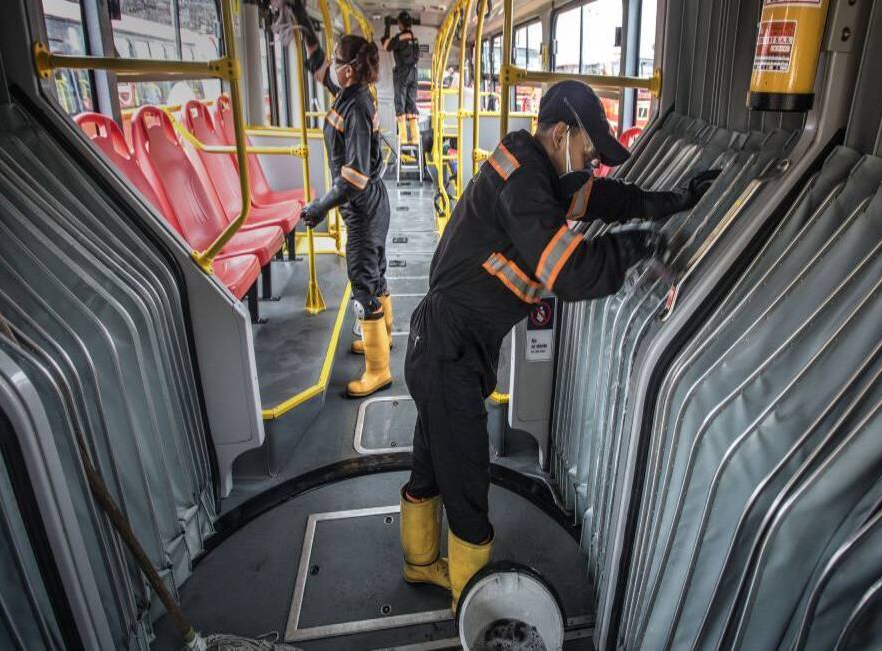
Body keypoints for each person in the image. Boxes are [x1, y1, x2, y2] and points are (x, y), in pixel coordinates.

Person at [398, 79, 720, 611]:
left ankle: (419, 562)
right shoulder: (527, 185)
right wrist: (640, 245)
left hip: (449, 344)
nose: (593, 166)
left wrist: (677, 200)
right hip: (448, 349)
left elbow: (613, 198)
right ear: (562, 131)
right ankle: (473, 606)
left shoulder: (541, 171)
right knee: (467, 484)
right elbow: (571, 273)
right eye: (590, 153)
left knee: (435, 460)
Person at [285, 2, 394, 398]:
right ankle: (380, 337)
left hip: (363, 209)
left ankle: (378, 369)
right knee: (375, 272)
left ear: (348, 69)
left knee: (363, 280)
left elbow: (354, 177)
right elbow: (317, 67)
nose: (330, 66)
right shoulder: (348, 92)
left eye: (336, 61)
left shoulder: (358, 106)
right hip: (370, 206)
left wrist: (318, 207)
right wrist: (300, 18)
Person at [381, 11, 421, 145]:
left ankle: (403, 139)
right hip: (414, 73)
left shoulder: (400, 38)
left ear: (401, 23)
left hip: (403, 73)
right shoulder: (414, 39)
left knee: (400, 104)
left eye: (398, 22)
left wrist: (387, 27)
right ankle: (415, 138)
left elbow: (386, 45)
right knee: (411, 104)